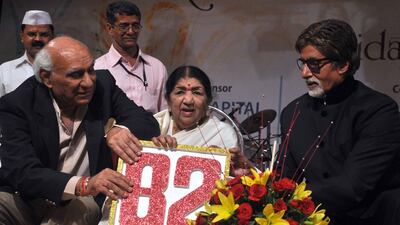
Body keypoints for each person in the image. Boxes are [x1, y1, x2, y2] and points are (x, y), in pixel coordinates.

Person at [0, 36, 160, 225]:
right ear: (46, 77)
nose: (88, 82)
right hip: (27, 197)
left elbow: (147, 122)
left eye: (90, 70)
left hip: (78, 203)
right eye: (75, 75)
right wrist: (84, 184)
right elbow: (23, 172)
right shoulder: (17, 104)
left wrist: (119, 129)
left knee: (86, 206)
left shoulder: (102, 85)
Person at [279, 19, 400, 225]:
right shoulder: (293, 112)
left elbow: (353, 187)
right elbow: (286, 179)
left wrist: (292, 198)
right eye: (303, 63)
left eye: (315, 64)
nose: (304, 73)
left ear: (344, 64)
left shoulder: (379, 110)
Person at [152, 65, 250, 176]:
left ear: (208, 100)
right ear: (168, 100)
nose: (188, 100)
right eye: (180, 92)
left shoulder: (222, 133)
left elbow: (231, 182)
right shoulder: (153, 125)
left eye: (197, 92)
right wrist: (153, 146)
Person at [95, 0, 168, 113]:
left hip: (153, 129)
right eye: (124, 26)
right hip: (114, 129)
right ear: (110, 29)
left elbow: (164, 112)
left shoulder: (157, 67)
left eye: (135, 26)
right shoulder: (98, 68)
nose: (131, 31)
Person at [0, 10, 54, 97]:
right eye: (32, 34)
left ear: (52, 37)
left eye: (44, 34)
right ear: (22, 37)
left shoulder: (61, 69)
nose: (37, 39)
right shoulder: (4, 71)